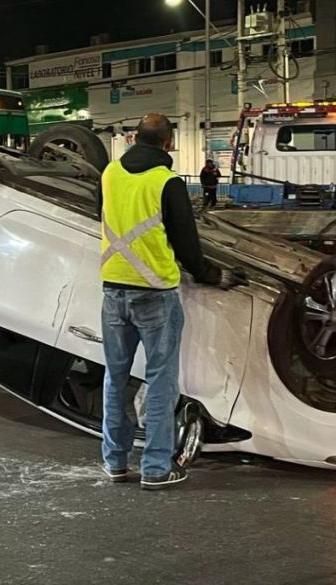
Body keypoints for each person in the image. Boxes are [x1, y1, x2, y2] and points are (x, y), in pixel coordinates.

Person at [99, 113, 244, 490]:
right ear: (168, 144)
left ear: (133, 138)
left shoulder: (109, 173)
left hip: (113, 289)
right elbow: (187, 246)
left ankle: (114, 462)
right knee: (160, 380)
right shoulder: (168, 182)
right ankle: (155, 467)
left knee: (115, 377)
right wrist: (213, 274)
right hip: (154, 294)